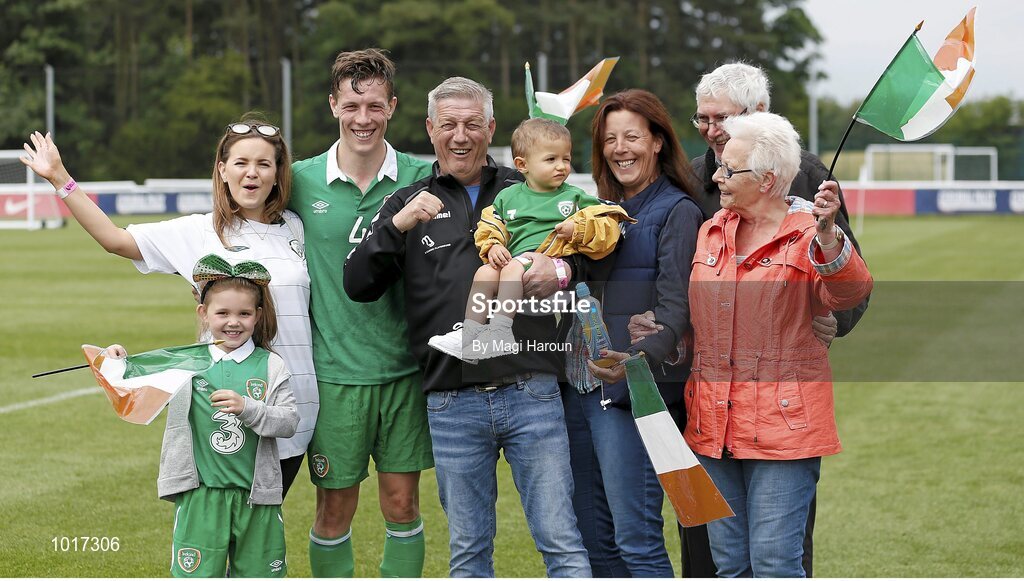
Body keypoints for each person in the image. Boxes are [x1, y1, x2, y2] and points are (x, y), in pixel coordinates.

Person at [344, 77, 592, 578]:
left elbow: (592, 256)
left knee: (561, 541)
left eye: (473, 124)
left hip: (533, 389)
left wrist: (563, 271)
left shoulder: (531, 188)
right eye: (449, 125)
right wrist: (396, 227)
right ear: (430, 129)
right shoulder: (409, 201)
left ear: (491, 129)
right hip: (452, 400)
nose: (461, 136)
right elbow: (358, 283)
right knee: (469, 554)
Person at [19, 118, 316, 497]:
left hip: (294, 403)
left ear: (278, 173)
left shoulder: (296, 228)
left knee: (260, 534)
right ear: (222, 170)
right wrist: (61, 178)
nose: (252, 173)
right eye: (241, 163)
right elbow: (115, 240)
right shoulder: (199, 231)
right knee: (221, 529)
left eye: (264, 164)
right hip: (226, 410)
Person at [680, 61, 871, 576]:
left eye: (729, 168)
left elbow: (851, 287)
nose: (716, 172)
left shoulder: (810, 223)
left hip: (783, 423)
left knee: (774, 563)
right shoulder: (712, 230)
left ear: (766, 178)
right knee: (728, 565)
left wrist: (829, 240)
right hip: (711, 420)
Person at [288, 48, 434, 578]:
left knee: (402, 507)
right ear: (333, 106)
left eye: (375, 105)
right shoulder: (300, 180)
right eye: (352, 106)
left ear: (392, 106)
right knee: (333, 510)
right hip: (332, 377)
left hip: (404, 373)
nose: (364, 119)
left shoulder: (424, 174)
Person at [560, 89, 706, 578]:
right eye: (609, 139)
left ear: (659, 142)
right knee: (593, 545)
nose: (620, 148)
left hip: (630, 395)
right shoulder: (594, 213)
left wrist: (634, 365)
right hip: (579, 389)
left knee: (636, 543)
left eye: (632, 137)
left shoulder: (677, 210)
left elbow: (676, 309)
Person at [107, 253, 299, 577]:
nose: (233, 321)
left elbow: (289, 421)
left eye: (244, 313)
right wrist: (115, 358)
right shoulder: (188, 363)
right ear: (204, 313)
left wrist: (248, 408)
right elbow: (132, 382)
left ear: (258, 315)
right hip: (202, 496)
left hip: (256, 500)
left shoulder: (271, 365)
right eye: (222, 312)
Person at [428, 117, 631, 361]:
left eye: (566, 159)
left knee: (513, 266)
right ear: (522, 165)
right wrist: (492, 246)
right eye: (551, 159)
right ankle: (471, 336)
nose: (561, 166)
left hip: (550, 268)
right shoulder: (508, 196)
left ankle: (501, 332)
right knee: (485, 273)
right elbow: (490, 223)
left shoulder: (574, 196)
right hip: (517, 268)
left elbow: (603, 221)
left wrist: (576, 228)